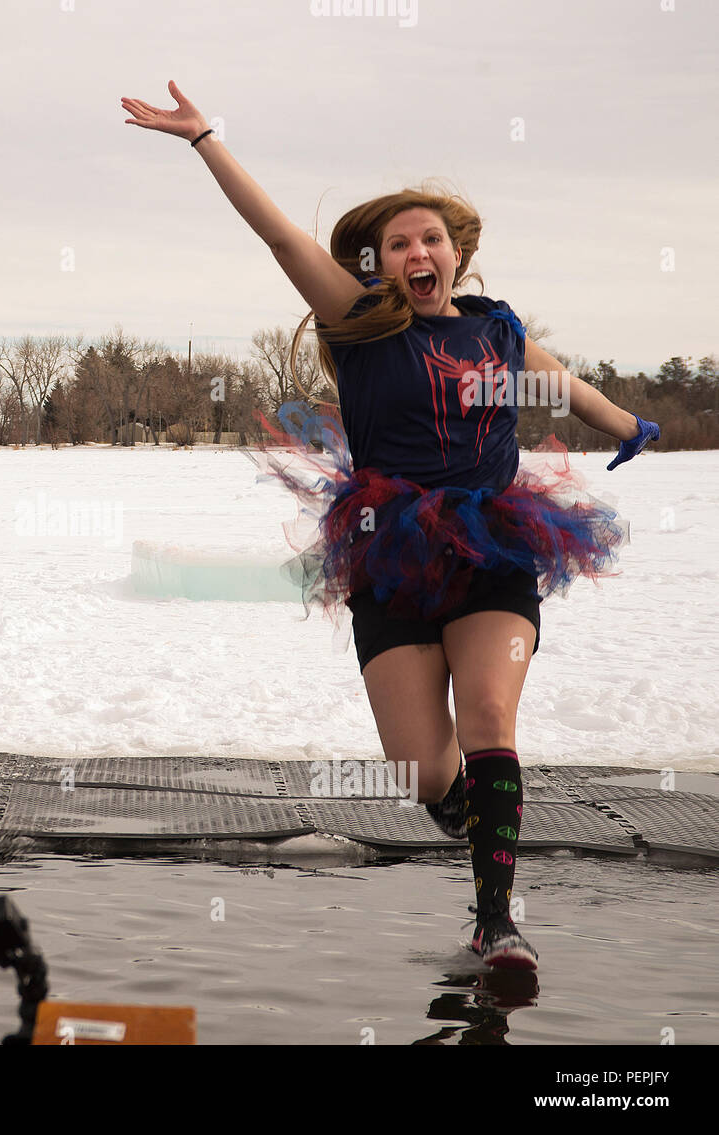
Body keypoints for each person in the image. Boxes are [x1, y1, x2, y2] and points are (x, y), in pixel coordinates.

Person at [122, 82, 659, 969]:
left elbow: (565, 385)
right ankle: (469, 809)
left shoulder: (496, 331)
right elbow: (281, 236)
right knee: (419, 769)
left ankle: (498, 920)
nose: (418, 250)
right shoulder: (362, 327)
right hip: (392, 549)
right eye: (398, 242)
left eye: (431, 238)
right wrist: (204, 138)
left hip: (494, 543)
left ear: (457, 254)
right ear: (378, 264)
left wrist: (627, 425)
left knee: (490, 711)